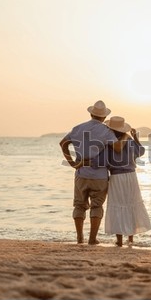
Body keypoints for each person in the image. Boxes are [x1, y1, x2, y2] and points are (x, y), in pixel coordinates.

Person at [59, 101, 128, 245]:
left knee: (79, 205)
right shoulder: (106, 131)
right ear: (103, 117)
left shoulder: (78, 128)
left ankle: (79, 238)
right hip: (99, 176)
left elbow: (63, 143)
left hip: (81, 173)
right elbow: (117, 148)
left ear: (91, 113)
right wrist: (125, 137)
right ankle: (92, 239)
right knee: (96, 206)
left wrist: (72, 163)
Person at [93, 116, 151, 247]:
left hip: (116, 177)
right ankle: (130, 238)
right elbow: (141, 151)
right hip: (131, 176)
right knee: (131, 203)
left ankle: (119, 240)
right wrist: (135, 137)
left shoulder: (109, 142)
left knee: (117, 205)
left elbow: (100, 162)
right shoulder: (129, 140)